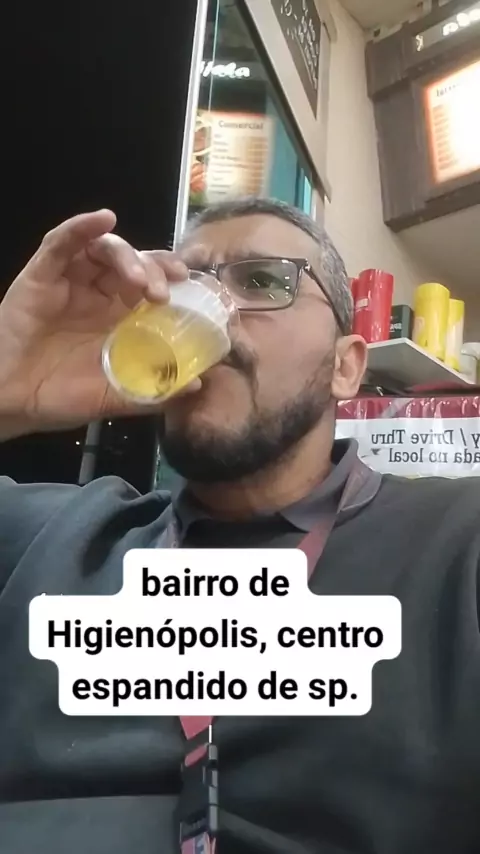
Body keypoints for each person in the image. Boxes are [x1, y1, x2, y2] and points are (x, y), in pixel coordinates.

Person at [0, 198, 479, 854]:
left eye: (262, 281)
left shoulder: (457, 545)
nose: (210, 311)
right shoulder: (54, 534)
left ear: (346, 366)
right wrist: (6, 391)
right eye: (183, 285)